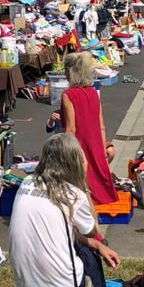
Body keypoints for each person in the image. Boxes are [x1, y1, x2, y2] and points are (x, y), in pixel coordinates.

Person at [9, 134, 120, 287]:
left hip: (25, 286)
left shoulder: (27, 182)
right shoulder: (74, 194)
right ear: (75, 163)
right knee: (89, 255)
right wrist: (83, 184)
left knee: (82, 243)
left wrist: (97, 244)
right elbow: (92, 231)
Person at [61, 52, 118, 205]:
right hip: (95, 140)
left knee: (80, 175)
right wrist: (102, 145)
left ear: (69, 72)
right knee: (98, 171)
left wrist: (68, 151)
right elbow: (101, 125)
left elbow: (71, 128)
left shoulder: (68, 95)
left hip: (79, 141)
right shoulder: (93, 93)